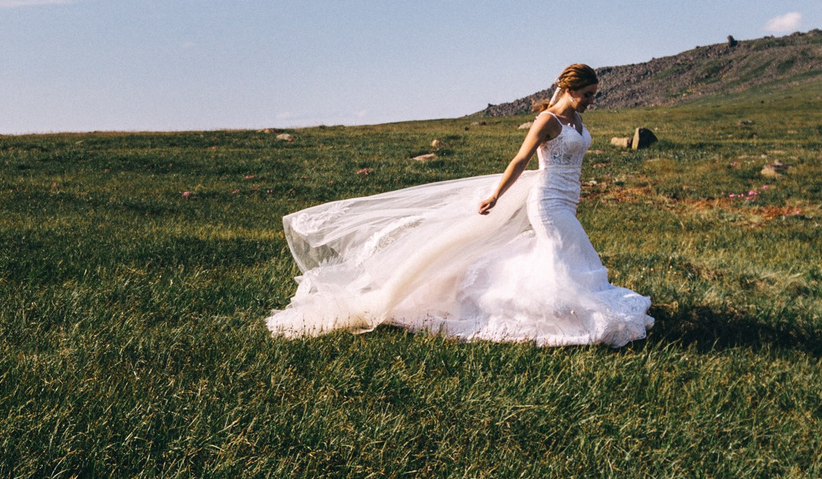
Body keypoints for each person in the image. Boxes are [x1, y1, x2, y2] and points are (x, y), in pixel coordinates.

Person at [264, 63, 650, 346]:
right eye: (587, 95)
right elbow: (520, 160)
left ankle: (561, 312)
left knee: (567, 258)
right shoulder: (547, 121)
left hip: (567, 199)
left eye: (594, 95)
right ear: (569, 90)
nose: (591, 101)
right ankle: (561, 318)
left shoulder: (578, 123)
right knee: (565, 254)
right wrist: (496, 195)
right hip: (547, 201)